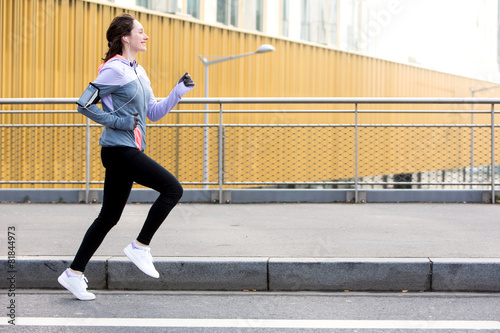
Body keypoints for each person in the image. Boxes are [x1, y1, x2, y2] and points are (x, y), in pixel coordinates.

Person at [58, 13, 194, 301]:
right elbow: (84, 104)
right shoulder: (114, 70)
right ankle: (140, 246)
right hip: (119, 149)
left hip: (129, 149)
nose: (146, 36)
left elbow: (153, 113)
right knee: (172, 189)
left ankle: (73, 273)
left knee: (108, 216)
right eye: (141, 32)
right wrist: (118, 122)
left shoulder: (138, 71)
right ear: (125, 37)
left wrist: (178, 92)